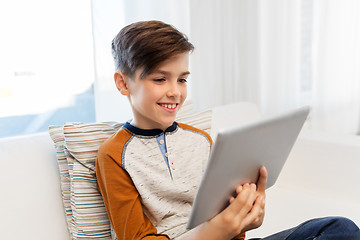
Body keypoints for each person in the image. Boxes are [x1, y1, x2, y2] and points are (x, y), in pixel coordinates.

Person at [96, 20, 360, 240]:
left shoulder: (201, 140)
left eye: (182, 79)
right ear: (123, 83)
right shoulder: (114, 155)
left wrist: (247, 217)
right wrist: (214, 232)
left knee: (340, 229)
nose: (175, 91)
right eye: (160, 79)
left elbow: (229, 223)